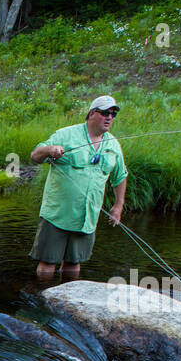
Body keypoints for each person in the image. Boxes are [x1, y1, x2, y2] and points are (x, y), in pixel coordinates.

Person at [28, 94, 128, 280]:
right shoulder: (66, 135)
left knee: (74, 263)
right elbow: (35, 155)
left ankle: (66, 298)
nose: (109, 117)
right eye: (105, 112)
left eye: (113, 114)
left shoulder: (113, 145)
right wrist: (50, 150)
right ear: (91, 114)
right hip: (57, 214)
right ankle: (41, 295)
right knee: (48, 261)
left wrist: (118, 206)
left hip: (87, 217)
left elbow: (120, 176)